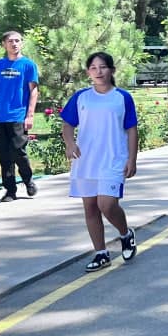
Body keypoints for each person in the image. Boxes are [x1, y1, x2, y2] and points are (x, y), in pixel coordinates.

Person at [60, 52, 138, 272]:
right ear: (88, 72)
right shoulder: (81, 97)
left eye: (103, 67)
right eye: (93, 68)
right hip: (86, 160)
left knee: (107, 205)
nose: (98, 71)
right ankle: (101, 253)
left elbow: (132, 129)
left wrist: (132, 159)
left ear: (112, 70)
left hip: (114, 159)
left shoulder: (122, 97)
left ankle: (125, 233)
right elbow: (67, 124)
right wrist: (70, 143)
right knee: (91, 208)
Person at [0, 30, 40, 202]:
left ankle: (28, 180)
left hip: (18, 116)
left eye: (17, 41)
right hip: (0, 117)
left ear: (21, 43)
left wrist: (30, 115)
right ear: (4, 44)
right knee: (4, 155)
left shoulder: (28, 65)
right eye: (11, 41)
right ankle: (10, 190)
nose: (14, 44)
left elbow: (34, 91)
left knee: (18, 151)